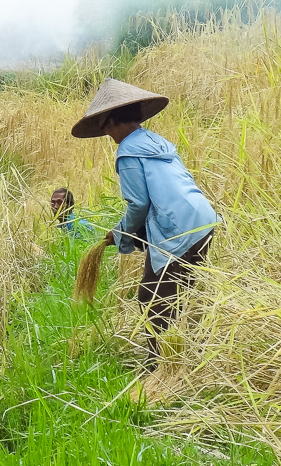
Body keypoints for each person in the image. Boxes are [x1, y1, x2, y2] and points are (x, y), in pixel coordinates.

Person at [71, 78, 218, 366]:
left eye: (105, 127)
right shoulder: (156, 142)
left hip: (178, 228)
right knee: (181, 291)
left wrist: (121, 233)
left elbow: (139, 204)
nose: (107, 134)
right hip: (203, 219)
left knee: (151, 297)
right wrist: (131, 233)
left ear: (111, 120)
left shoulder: (127, 151)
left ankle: (159, 367)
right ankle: (188, 357)